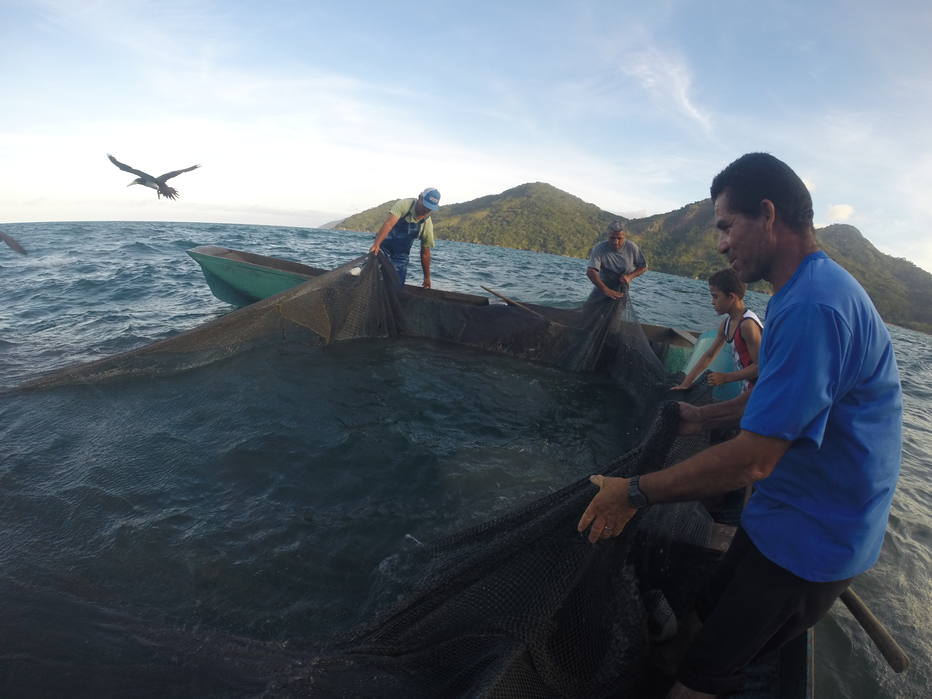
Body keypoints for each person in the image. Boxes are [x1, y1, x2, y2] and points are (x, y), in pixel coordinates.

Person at [577, 153, 902, 698]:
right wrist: (703, 415)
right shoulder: (802, 293)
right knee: (702, 613)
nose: (721, 244)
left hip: (814, 541)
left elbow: (754, 458)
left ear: (768, 214)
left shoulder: (815, 307)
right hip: (782, 513)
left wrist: (632, 493)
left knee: (703, 680)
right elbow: (775, 405)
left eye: (726, 227)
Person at [672, 268, 762, 393]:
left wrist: (726, 377)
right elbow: (709, 355)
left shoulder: (747, 325)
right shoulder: (726, 324)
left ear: (731, 297)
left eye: (716, 297)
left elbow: (760, 367)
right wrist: (685, 384)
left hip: (763, 390)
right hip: (748, 389)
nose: (712, 302)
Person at [368, 187, 440, 287]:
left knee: (396, 286)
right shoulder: (404, 205)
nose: (425, 210)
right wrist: (376, 244)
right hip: (383, 249)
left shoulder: (427, 223)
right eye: (425, 206)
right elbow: (388, 224)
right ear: (419, 197)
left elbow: (425, 253)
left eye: (429, 209)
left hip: (401, 257)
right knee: (373, 279)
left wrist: (427, 277)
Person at [586, 220, 647, 301]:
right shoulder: (599, 248)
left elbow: (643, 267)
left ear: (624, 236)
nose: (615, 242)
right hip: (602, 288)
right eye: (612, 238)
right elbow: (591, 271)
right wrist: (606, 290)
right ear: (608, 235)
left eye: (619, 238)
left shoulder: (632, 247)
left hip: (622, 289)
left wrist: (629, 276)